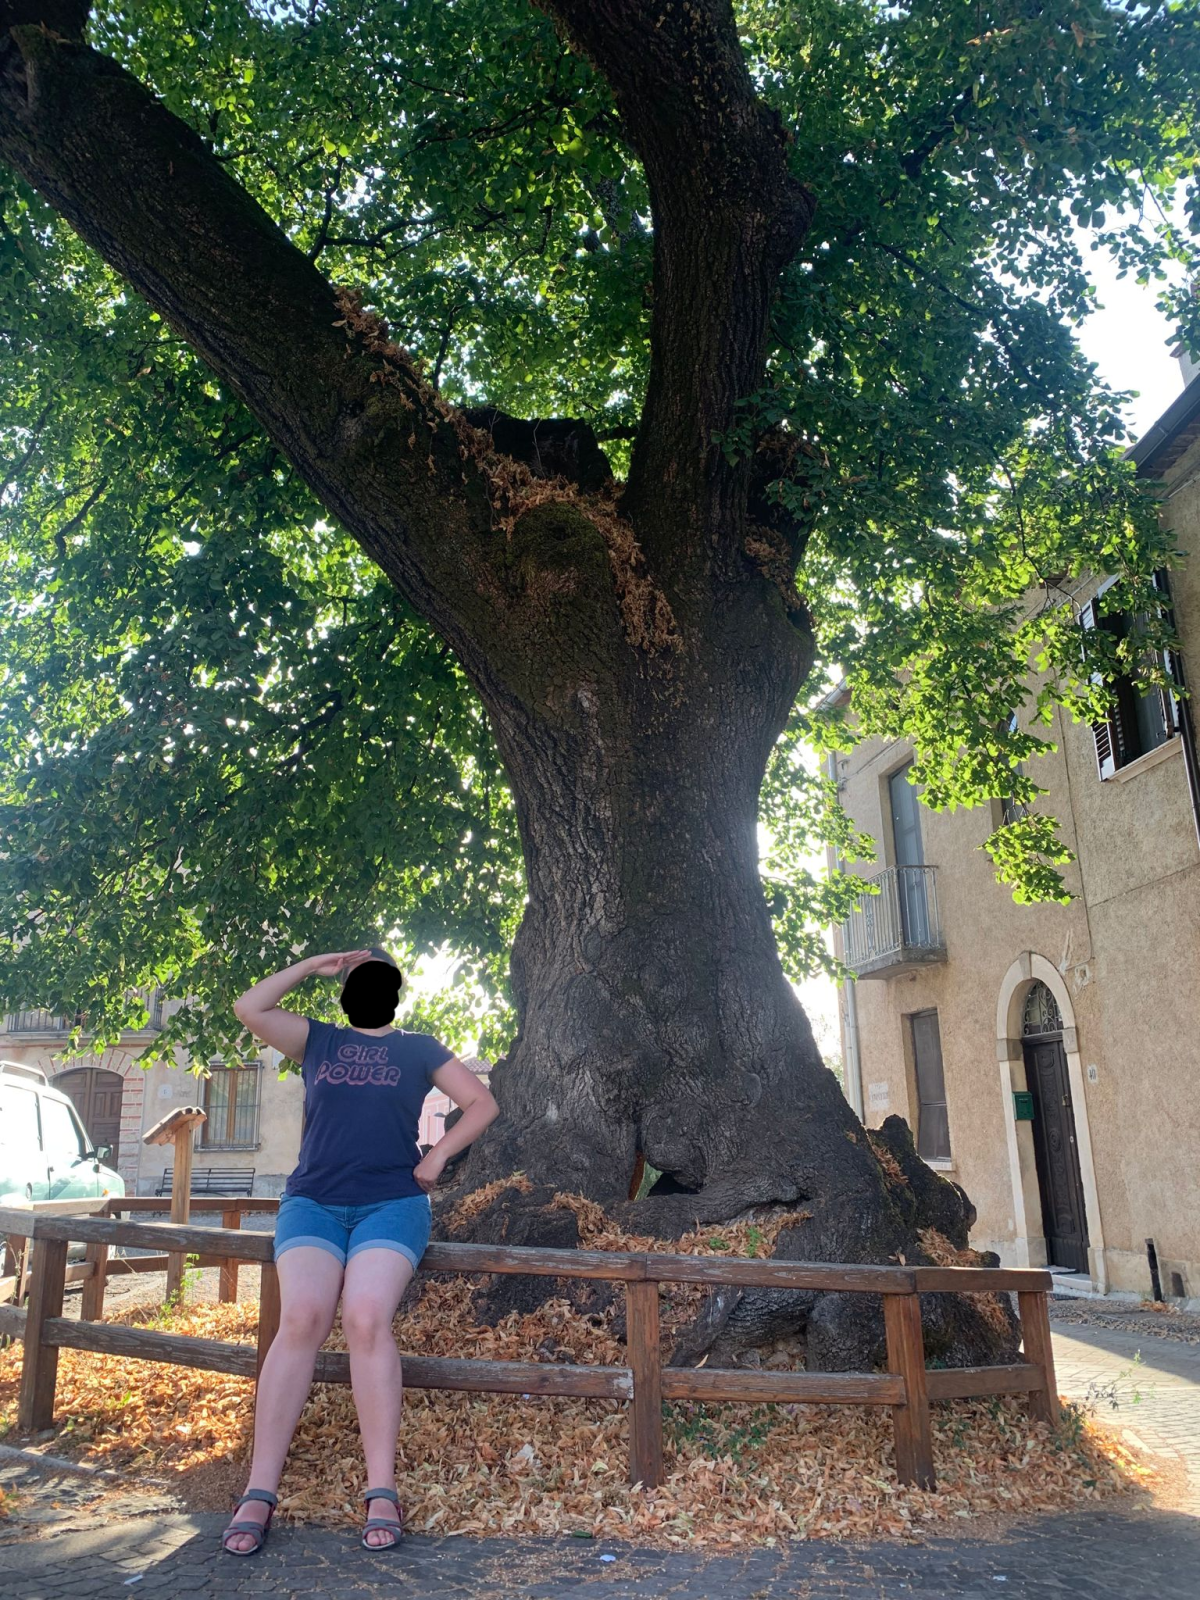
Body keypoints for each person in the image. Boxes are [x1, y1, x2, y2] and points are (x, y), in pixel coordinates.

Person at [220, 947, 499, 1556]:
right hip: (314, 1201)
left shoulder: (418, 1048)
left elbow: (483, 1103)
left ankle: (381, 1490)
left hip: (390, 1203)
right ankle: (259, 1490)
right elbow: (249, 1006)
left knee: (366, 1317)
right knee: (302, 1318)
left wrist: (438, 1154)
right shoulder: (315, 1040)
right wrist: (312, 963)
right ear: (343, 987)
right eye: (352, 977)